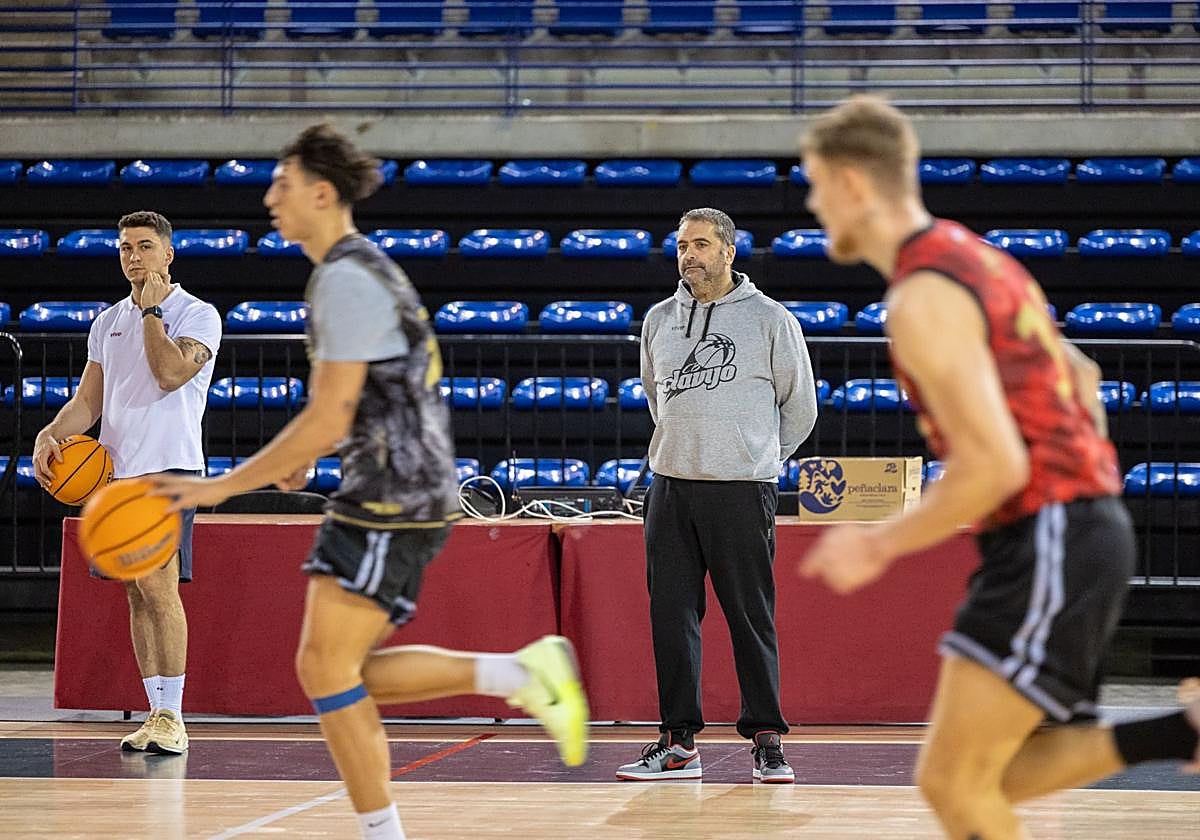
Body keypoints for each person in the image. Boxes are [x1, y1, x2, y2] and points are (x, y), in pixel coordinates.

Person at [151, 123, 588, 840]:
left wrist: (217, 486)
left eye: (282, 185)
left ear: (321, 194)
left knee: (327, 668)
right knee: (334, 671)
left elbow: (331, 413)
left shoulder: (346, 278)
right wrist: (305, 458)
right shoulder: (354, 269)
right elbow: (359, 402)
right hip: (388, 486)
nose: (269, 198)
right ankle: (520, 676)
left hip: (394, 493)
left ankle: (507, 691)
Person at [798, 95, 1200, 839]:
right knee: (994, 775)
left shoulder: (921, 296)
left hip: (1053, 529)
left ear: (853, 183)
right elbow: (1081, 378)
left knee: (951, 782)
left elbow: (994, 465)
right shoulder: (975, 256)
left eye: (816, 183)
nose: (813, 204)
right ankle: (1183, 734)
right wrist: (1086, 496)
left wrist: (876, 542)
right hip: (1078, 527)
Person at [616, 207, 818, 784]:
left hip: (741, 489)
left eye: (701, 244)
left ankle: (766, 740)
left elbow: (799, 409)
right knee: (671, 618)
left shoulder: (772, 321)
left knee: (750, 617)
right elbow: (659, 400)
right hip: (671, 487)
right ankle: (678, 744)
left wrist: (757, 458)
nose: (689, 255)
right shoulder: (658, 320)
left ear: (729, 251)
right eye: (682, 245)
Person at [33, 210, 222, 755]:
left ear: (168, 254)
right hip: (116, 477)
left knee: (158, 587)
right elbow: (88, 402)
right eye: (124, 248)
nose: (133, 257)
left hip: (168, 469)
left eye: (144, 246)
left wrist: (152, 313)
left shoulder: (197, 315)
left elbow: (169, 372)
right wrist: (50, 432)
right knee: (137, 595)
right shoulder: (105, 321)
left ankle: (174, 716)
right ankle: (156, 710)